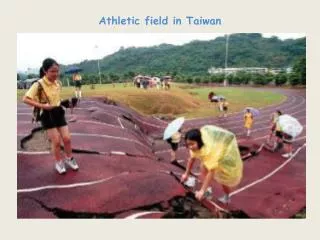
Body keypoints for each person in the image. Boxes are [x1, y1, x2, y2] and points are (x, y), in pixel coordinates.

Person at [22, 58, 79, 174]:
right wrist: (42, 106)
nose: (56, 74)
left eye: (57, 71)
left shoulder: (58, 83)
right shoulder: (38, 85)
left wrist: (66, 103)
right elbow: (25, 99)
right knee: (56, 141)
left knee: (67, 138)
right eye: (52, 71)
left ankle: (69, 158)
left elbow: (56, 100)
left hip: (58, 112)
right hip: (46, 115)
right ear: (45, 70)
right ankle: (58, 162)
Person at [180, 125, 243, 204]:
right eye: (188, 144)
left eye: (192, 144)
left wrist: (202, 191)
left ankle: (227, 196)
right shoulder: (193, 148)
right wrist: (186, 174)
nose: (190, 147)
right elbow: (191, 159)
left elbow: (211, 171)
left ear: (199, 142)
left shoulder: (208, 152)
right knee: (202, 167)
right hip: (212, 154)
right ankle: (207, 190)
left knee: (223, 180)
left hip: (222, 158)